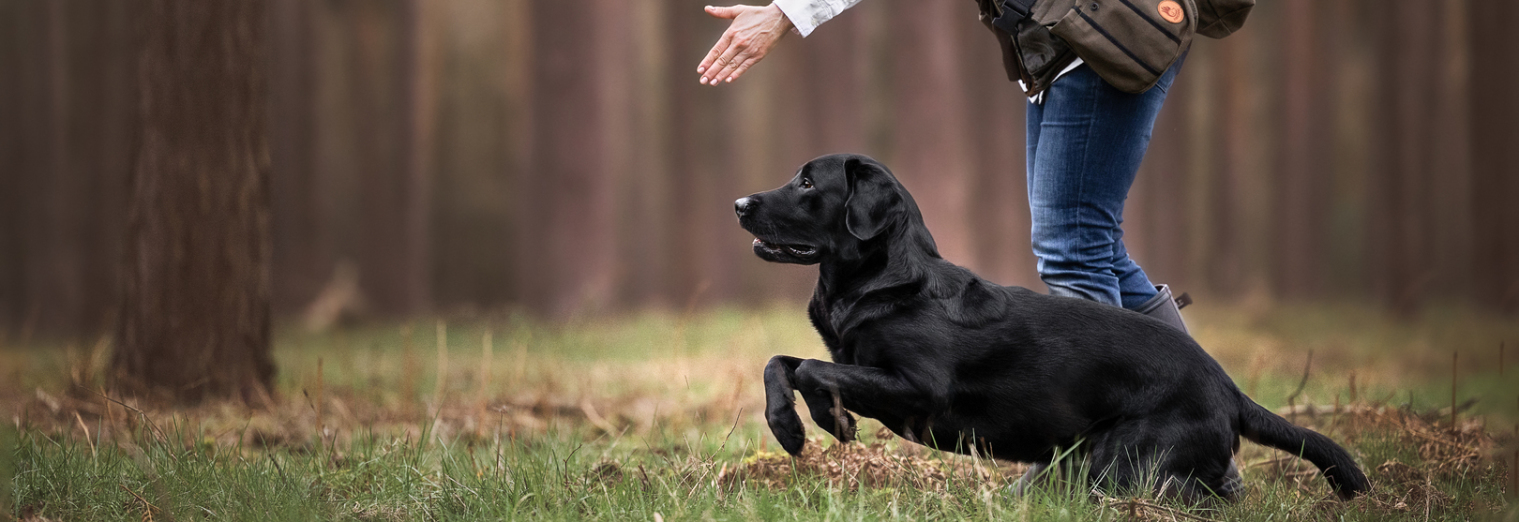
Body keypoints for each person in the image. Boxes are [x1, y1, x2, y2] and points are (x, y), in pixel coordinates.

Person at [697, 1, 1192, 333]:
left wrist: (786, 12)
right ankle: (1200, 434)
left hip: (1100, 36)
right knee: (1091, 246)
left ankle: (1099, 450)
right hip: (1074, 41)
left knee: (1074, 250)